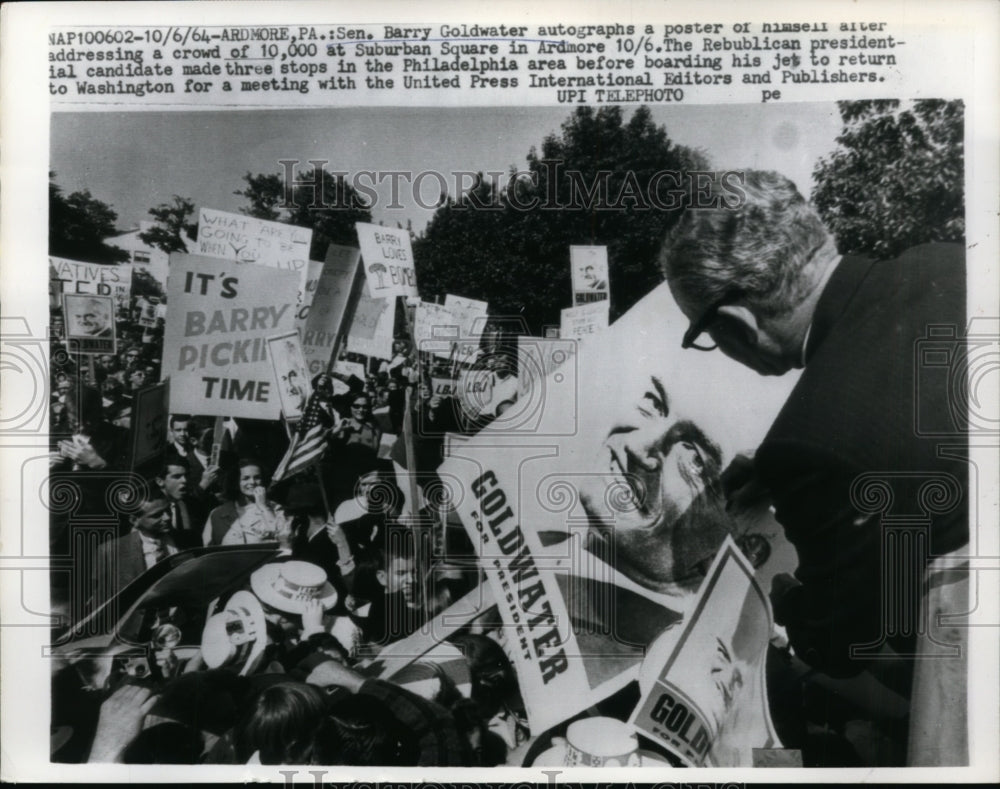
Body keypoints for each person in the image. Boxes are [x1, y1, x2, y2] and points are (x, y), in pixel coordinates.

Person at [659, 169, 968, 766]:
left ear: (738, 325)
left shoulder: (807, 449)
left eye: (704, 334)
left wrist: (782, 601)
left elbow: (838, 646)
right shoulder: (945, 259)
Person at [203, 458, 280, 546]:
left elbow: (282, 538)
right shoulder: (217, 514)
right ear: (236, 482)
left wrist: (263, 507)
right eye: (246, 478)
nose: (252, 482)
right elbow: (208, 548)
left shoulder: (275, 508)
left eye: (257, 478)